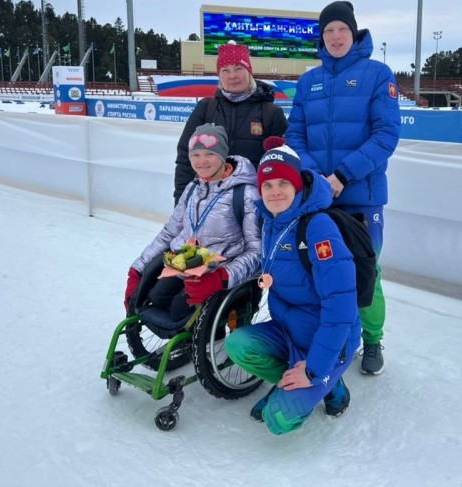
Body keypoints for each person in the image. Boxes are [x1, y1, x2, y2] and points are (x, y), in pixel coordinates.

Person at [285, 1, 400, 375]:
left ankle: (372, 340)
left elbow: (386, 135)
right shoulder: (308, 81)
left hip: (361, 200)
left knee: (366, 272)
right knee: (321, 272)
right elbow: (295, 135)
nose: (335, 37)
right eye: (329, 31)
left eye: (342, 30)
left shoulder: (378, 75)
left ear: (354, 33)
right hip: (318, 198)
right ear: (321, 37)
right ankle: (330, 339)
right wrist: (318, 178)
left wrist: (342, 177)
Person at [225, 141, 360, 435]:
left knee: (279, 420)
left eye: (284, 183)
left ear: (298, 185)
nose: (275, 191)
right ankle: (289, 381)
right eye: (268, 184)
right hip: (290, 331)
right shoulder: (270, 220)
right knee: (238, 345)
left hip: (329, 339)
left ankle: (328, 381)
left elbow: (341, 307)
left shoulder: (318, 227)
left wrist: (313, 370)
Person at [125, 123, 262, 318]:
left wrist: (221, 277)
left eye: (210, 154)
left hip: (219, 272)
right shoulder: (192, 188)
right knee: (154, 298)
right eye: (195, 155)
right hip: (185, 266)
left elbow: (257, 251)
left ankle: (208, 342)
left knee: (178, 311)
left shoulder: (245, 194)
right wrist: (137, 269)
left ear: (223, 156)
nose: (202, 161)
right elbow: (170, 232)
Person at [173, 41, 288, 205]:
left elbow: (282, 164)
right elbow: (186, 157)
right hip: (208, 205)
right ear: (219, 75)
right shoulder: (206, 109)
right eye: (225, 70)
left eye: (238, 69)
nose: (232, 75)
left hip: (253, 205)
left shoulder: (271, 113)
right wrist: (182, 203)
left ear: (249, 72)